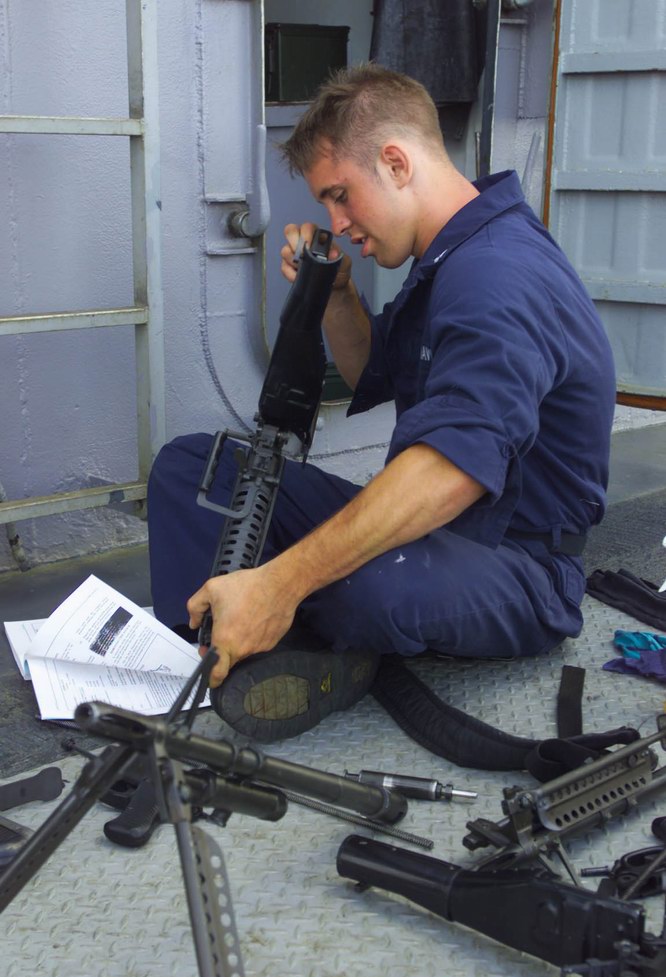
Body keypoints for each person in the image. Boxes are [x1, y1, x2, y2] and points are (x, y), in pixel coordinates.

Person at [147, 64, 616, 742]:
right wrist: (337, 294)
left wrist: (280, 584)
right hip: (436, 535)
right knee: (193, 468)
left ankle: (277, 630)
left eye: (340, 197)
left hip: (519, 565)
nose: (337, 224)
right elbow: (374, 368)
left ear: (396, 163)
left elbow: (451, 470)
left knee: (363, 584)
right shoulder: (451, 256)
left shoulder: (496, 276)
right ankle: (205, 655)